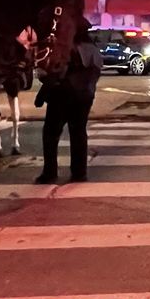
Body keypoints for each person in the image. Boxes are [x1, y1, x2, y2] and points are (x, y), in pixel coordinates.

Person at [35, 28, 102, 184]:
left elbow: (49, 72)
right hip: (84, 97)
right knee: (78, 133)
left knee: (51, 134)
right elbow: (97, 70)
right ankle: (79, 173)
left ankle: (50, 172)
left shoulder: (62, 47)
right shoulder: (91, 48)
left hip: (61, 95)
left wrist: (44, 90)